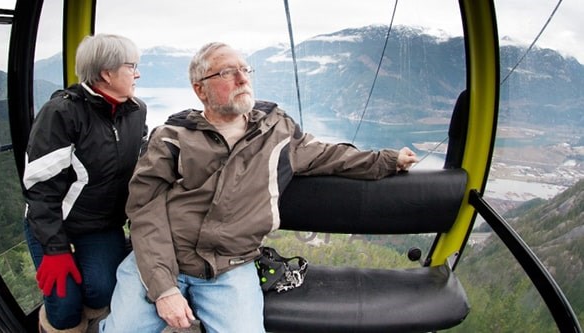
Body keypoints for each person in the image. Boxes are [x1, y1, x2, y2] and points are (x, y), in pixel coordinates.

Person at [99, 42, 418, 333]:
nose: (242, 78)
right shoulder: (171, 138)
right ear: (200, 90)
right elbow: (144, 210)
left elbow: (327, 155)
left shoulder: (277, 133)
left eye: (245, 70)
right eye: (227, 72)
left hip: (230, 265)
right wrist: (164, 289)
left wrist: (388, 160)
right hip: (162, 259)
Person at [23, 34, 147, 333]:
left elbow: (141, 163)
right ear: (107, 73)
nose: (138, 74)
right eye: (132, 67)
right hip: (55, 223)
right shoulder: (62, 114)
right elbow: (40, 189)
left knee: (103, 292)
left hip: (102, 225)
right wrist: (55, 249)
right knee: (64, 309)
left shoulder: (135, 111)